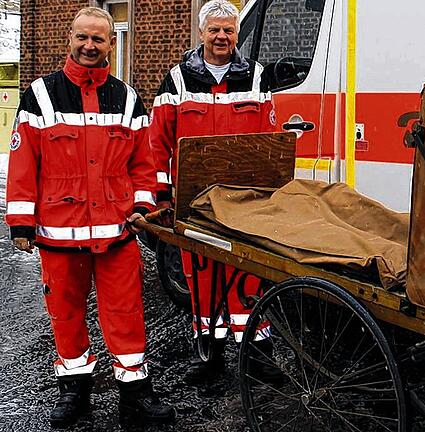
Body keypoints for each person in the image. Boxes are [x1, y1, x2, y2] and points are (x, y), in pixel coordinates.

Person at [4, 7, 175, 428]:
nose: (89, 46)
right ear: (69, 38)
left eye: (98, 39)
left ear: (110, 44)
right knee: (65, 312)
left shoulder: (128, 97)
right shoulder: (40, 95)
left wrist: (140, 206)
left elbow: (144, 163)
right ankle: (74, 390)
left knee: (127, 312)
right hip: (59, 232)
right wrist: (21, 222)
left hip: (118, 231)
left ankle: (134, 391)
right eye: (82, 37)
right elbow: (23, 162)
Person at [149, 0, 278, 384]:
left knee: (248, 272)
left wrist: (272, 193)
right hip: (195, 200)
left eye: (229, 29)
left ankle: (257, 352)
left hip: (243, 199)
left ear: (237, 34)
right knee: (200, 275)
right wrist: (161, 195)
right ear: (201, 33)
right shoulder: (176, 81)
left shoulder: (256, 78)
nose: (221, 36)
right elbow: (157, 144)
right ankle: (208, 355)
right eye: (214, 30)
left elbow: (270, 141)